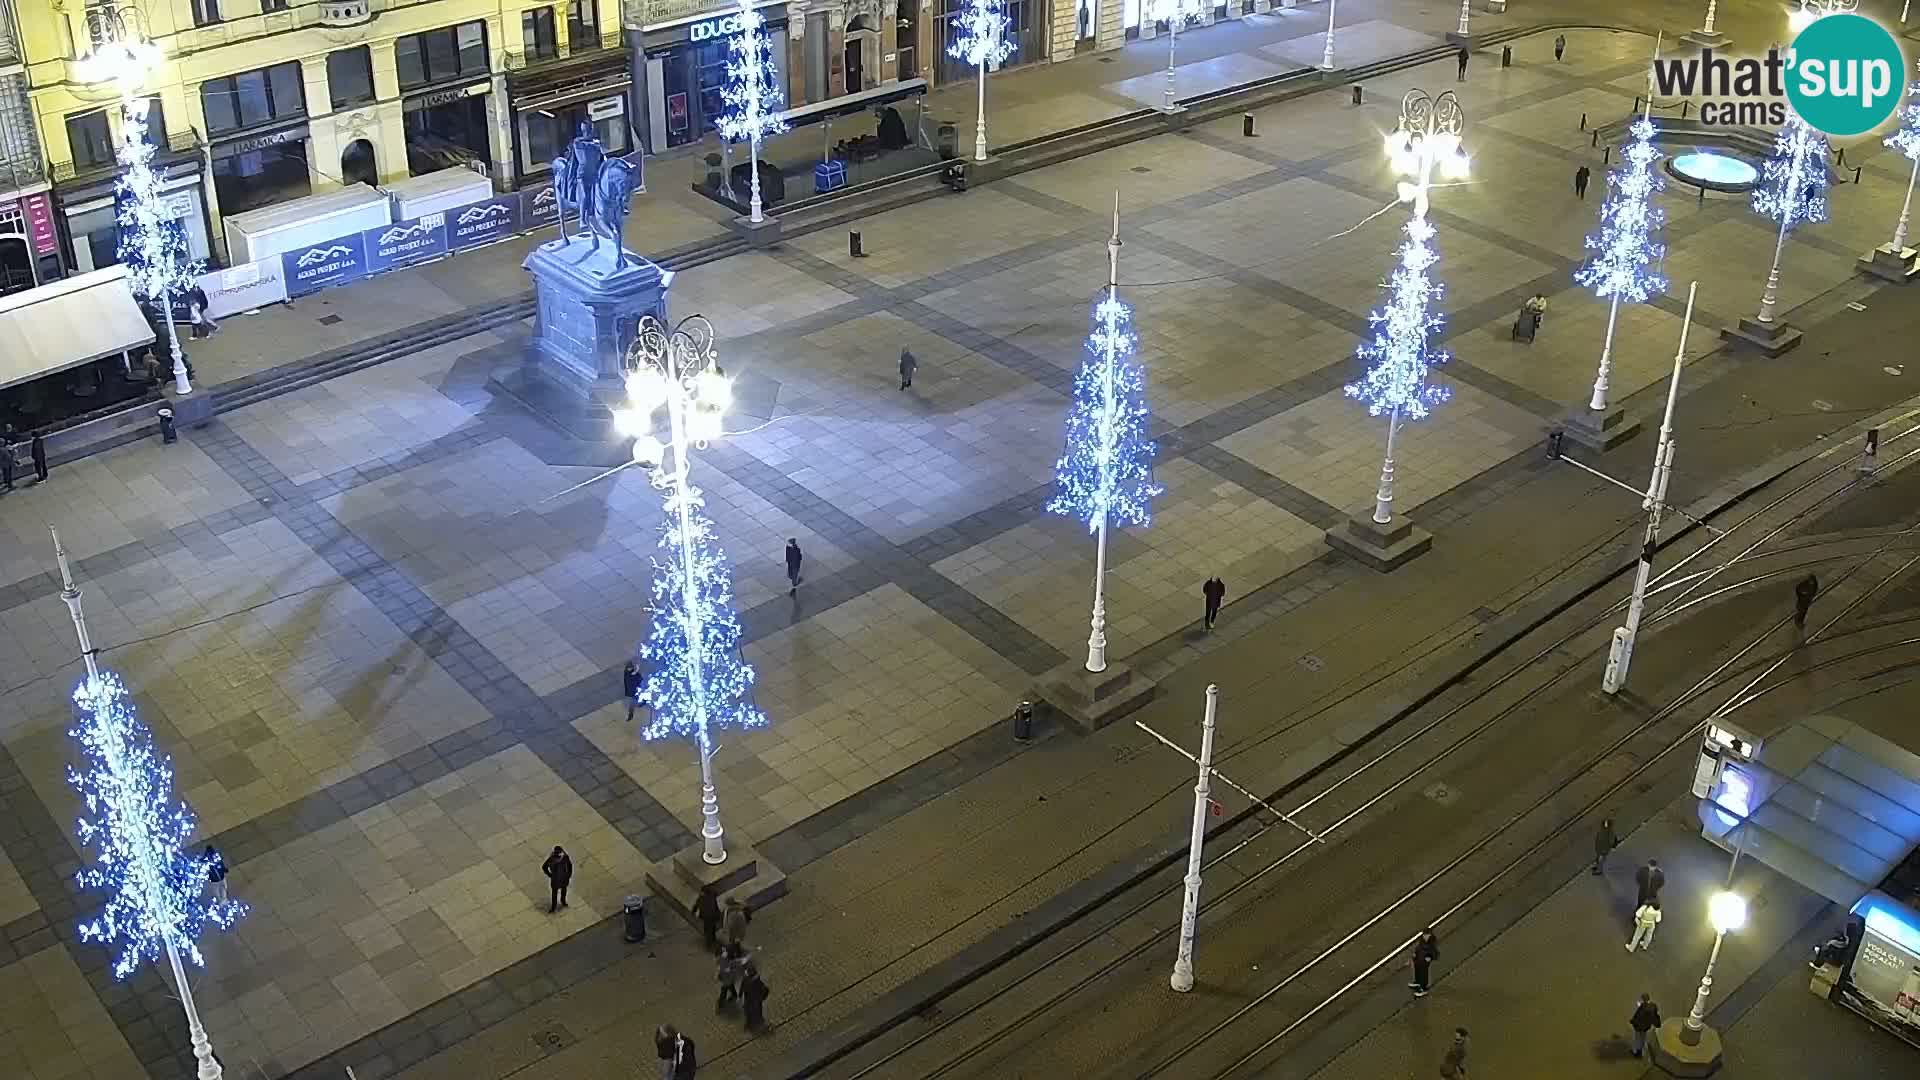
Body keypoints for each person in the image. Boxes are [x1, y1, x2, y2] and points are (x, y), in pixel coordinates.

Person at [1409, 927, 1439, 997]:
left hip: (1424, 960)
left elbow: (1434, 952)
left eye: (1427, 935)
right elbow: (1418, 948)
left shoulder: (1432, 942)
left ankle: (1423, 988)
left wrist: (1430, 957)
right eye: (1424, 935)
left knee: (1423, 973)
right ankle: (1417, 982)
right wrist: (1415, 954)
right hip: (1419, 958)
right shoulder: (1422, 940)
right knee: (1417, 970)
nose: (1425, 936)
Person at [741, 960, 770, 1032]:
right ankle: (758, 1025)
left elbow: (744, 988)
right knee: (755, 1011)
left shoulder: (747, 978)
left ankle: (750, 1024)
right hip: (754, 999)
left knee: (751, 1011)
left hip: (752, 999)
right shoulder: (751, 979)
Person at [1629, 994, 1661, 1058]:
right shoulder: (1653, 1005)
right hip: (1646, 1026)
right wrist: (1656, 1023)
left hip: (1639, 1026)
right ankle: (1640, 1052)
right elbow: (1656, 1015)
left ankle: (1638, 1053)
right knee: (1643, 1038)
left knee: (1638, 1039)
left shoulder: (1643, 1006)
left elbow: (1638, 1015)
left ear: (1644, 999)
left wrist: (1633, 1021)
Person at [542, 845, 572, 912]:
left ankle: (562, 901)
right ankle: (554, 907)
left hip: (563, 878)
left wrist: (569, 875)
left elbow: (570, 866)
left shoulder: (565, 857)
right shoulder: (552, 858)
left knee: (563, 890)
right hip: (556, 879)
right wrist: (550, 875)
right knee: (555, 893)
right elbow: (544, 867)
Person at [716, 943, 746, 1009]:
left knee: (727, 989)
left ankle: (723, 1002)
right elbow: (730, 965)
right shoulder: (722, 960)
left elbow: (732, 963)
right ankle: (731, 996)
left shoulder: (725, 959)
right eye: (723, 951)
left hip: (728, 979)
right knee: (727, 988)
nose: (725, 952)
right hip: (727, 979)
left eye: (725, 951)